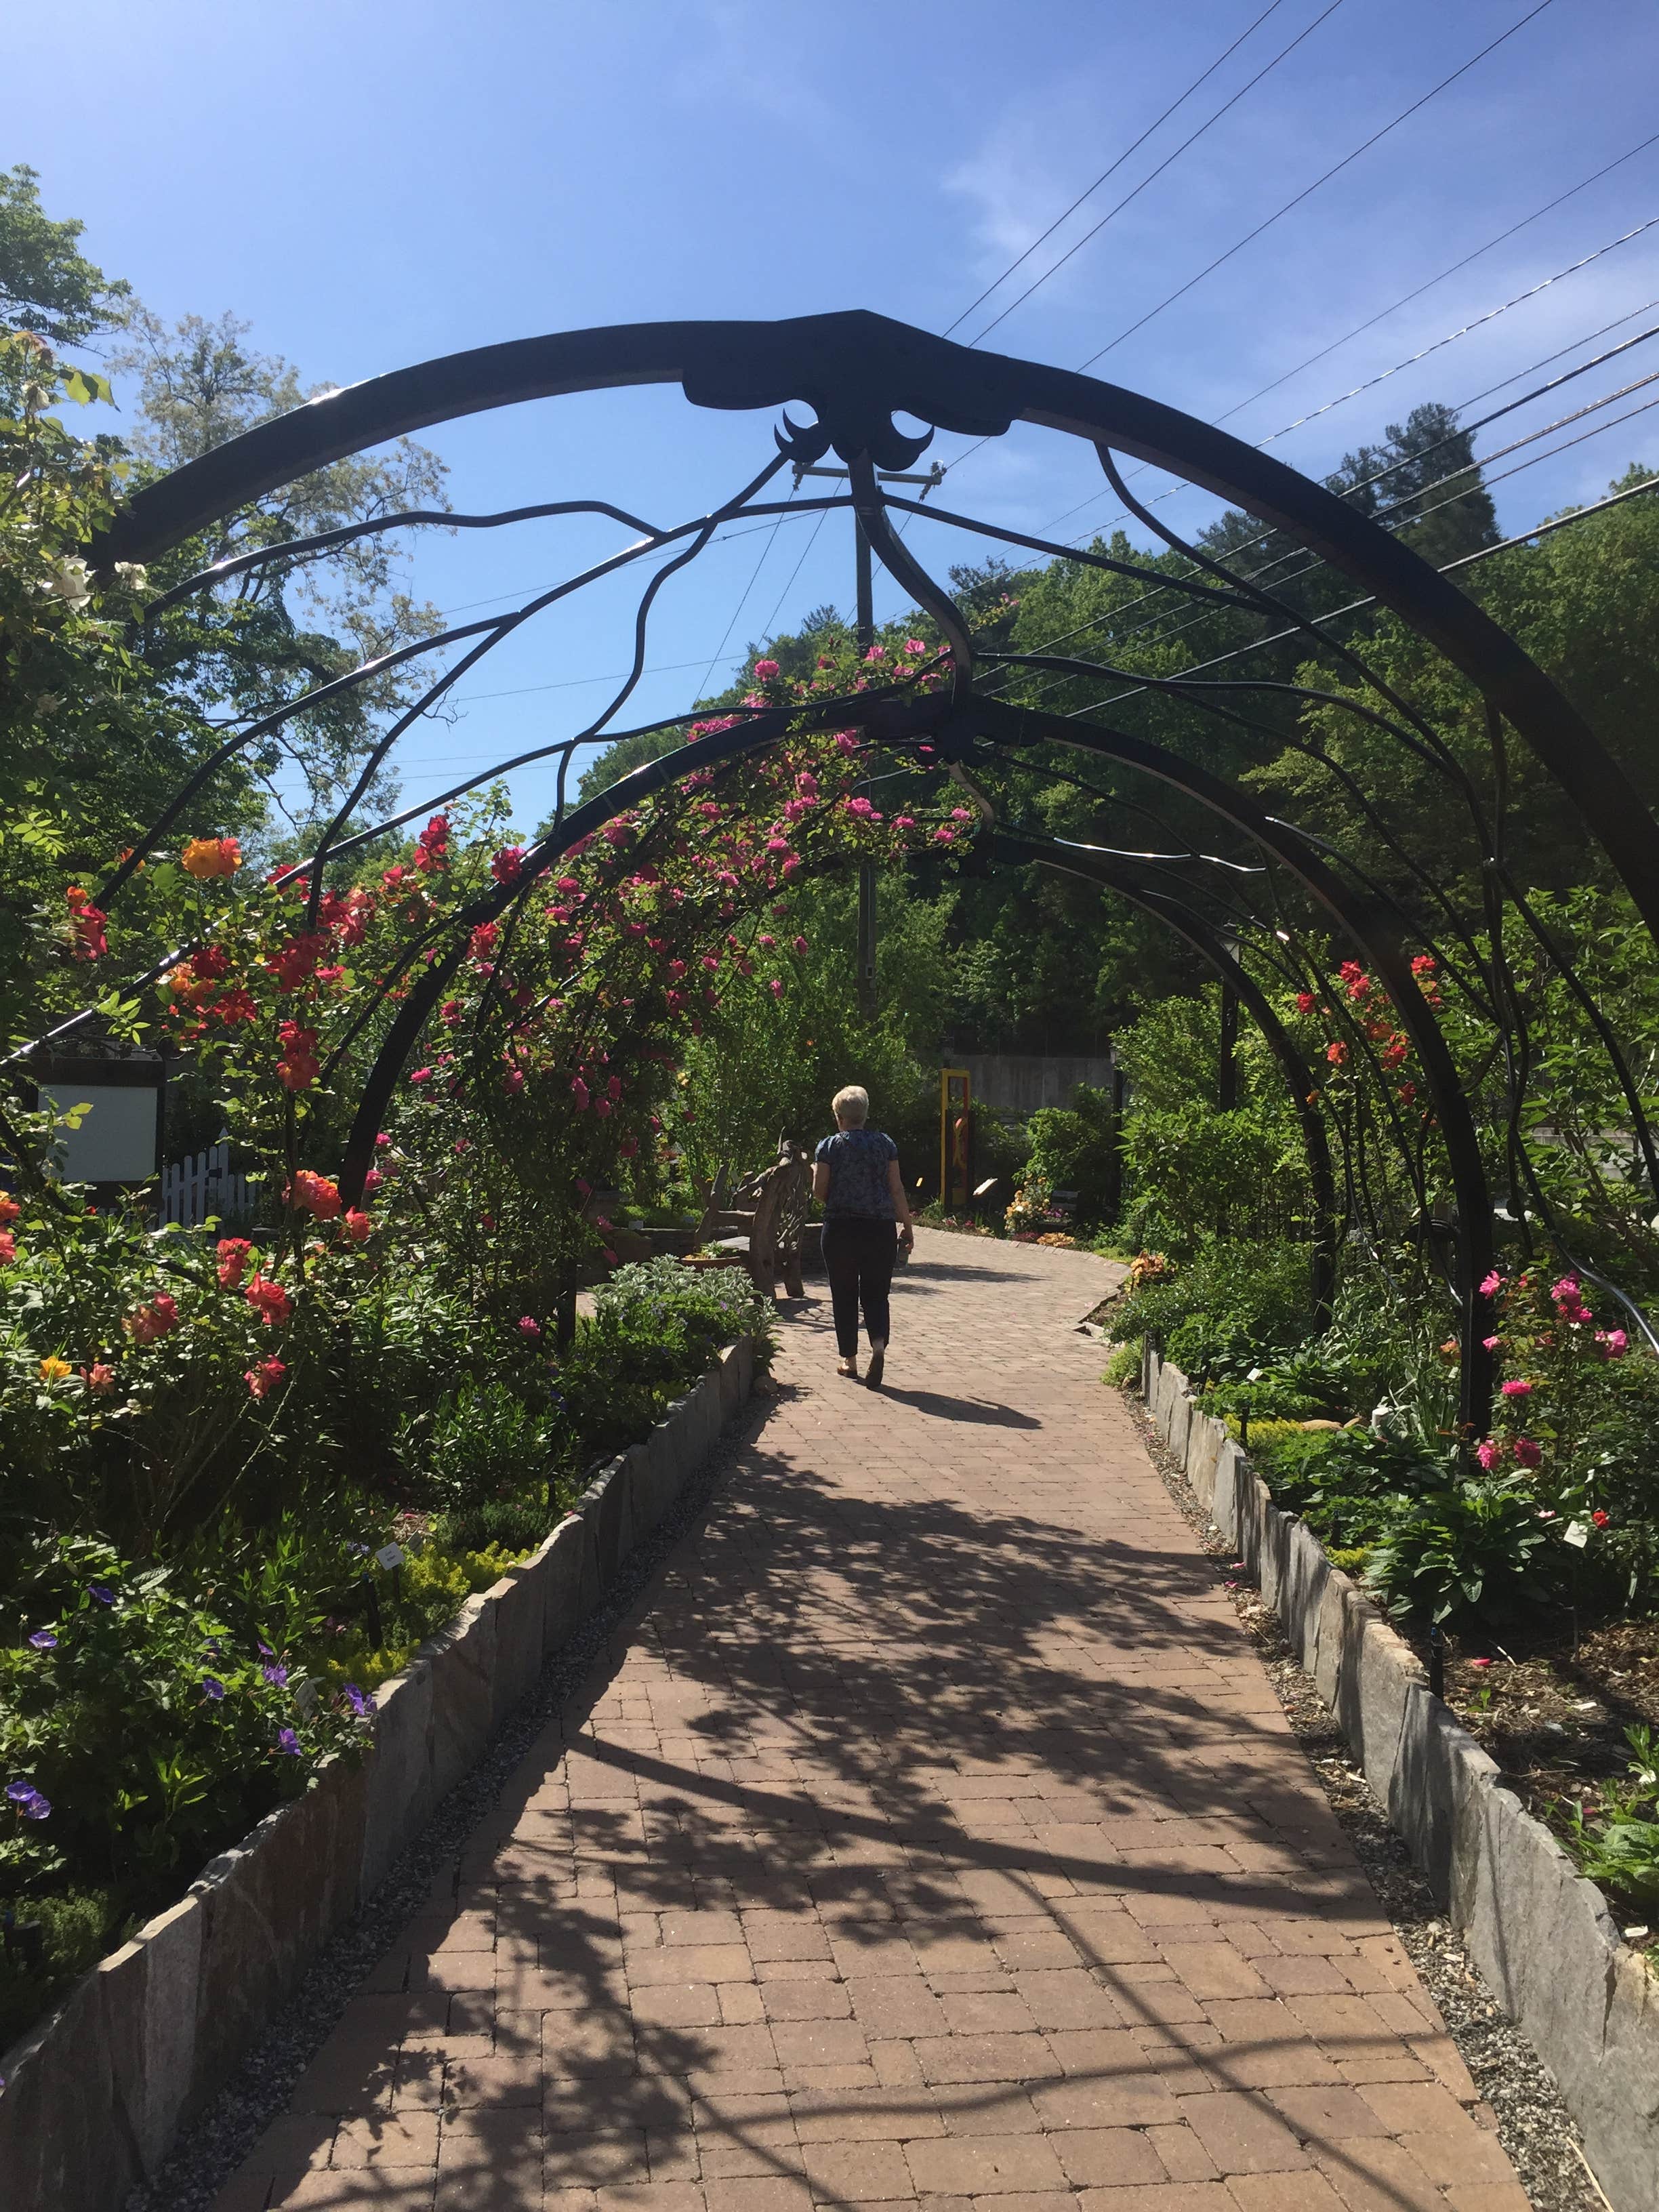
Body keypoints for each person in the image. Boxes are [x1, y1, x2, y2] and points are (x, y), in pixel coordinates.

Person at [813, 1084, 914, 1388]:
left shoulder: (829, 1147)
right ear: (865, 1114)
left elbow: (820, 1194)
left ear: (838, 1116)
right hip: (879, 1229)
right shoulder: (885, 1144)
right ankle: (879, 1344)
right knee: (876, 1293)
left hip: (841, 1229)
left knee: (844, 1294)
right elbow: (896, 1189)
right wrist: (907, 1227)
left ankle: (849, 1360)